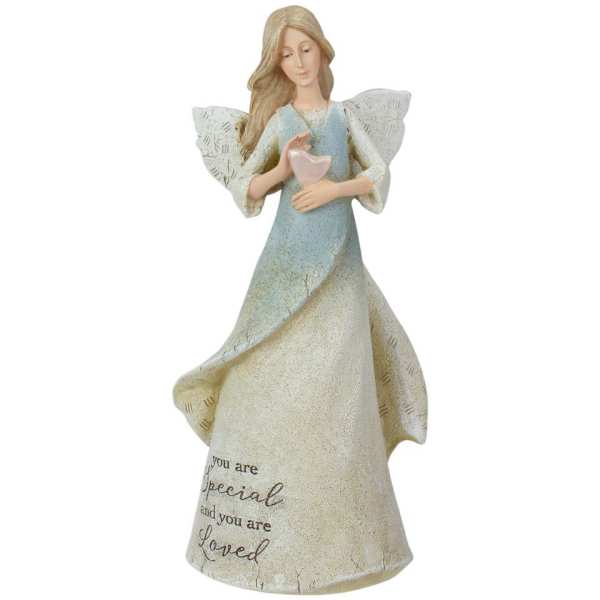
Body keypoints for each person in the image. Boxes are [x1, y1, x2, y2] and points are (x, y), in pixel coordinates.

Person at [173, 5, 427, 594]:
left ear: (322, 50)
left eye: (305, 49)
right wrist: (283, 167)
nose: (298, 62)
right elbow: (246, 186)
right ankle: (262, 537)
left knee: (337, 386)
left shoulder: (344, 117)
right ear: (276, 63)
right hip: (284, 270)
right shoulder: (283, 120)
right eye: (286, 55)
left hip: (339, 270)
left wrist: (337, 187)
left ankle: (345, 539)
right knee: (270, 376)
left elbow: (379, 174)